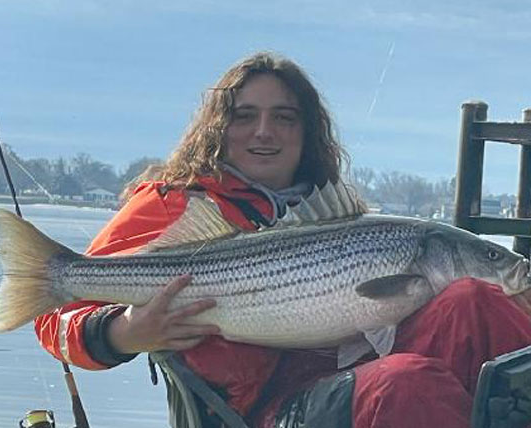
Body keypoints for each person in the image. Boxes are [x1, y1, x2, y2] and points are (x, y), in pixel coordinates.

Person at [35, 52, 531, 428]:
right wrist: (125, 332)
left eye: (284, 117)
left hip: (346, 369)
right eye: (244, 115)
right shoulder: (175, 202)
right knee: (405, 384)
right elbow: (52, 317)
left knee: (475, 298)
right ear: (217, 127)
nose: (264, 132)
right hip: (257, 410)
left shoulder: (333, 209)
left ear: (307, 129)